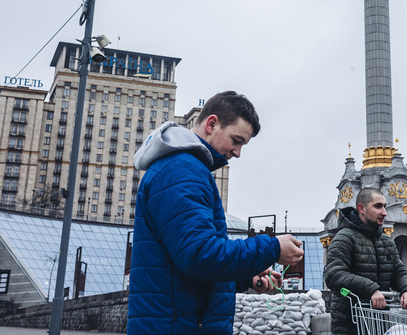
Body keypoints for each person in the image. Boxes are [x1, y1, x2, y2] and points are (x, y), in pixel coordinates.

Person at [127, 91, 304, 334]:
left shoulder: (186, 168)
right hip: (179, 326)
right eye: (237, 140)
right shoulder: (182, 171)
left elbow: (189, 263)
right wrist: (272, 247)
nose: (238, 152)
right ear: (212, 124)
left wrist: (248, 276)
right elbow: (200, 256)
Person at [324, 187, 407, 335]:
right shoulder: (344, 238)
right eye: (378, 206)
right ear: (361, 209)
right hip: (350, 325)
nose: (384, 212)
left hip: (379, 322)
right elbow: (333, 275)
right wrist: (371, 289)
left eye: (385, 206)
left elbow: (398, 272)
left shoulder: (387, 241)